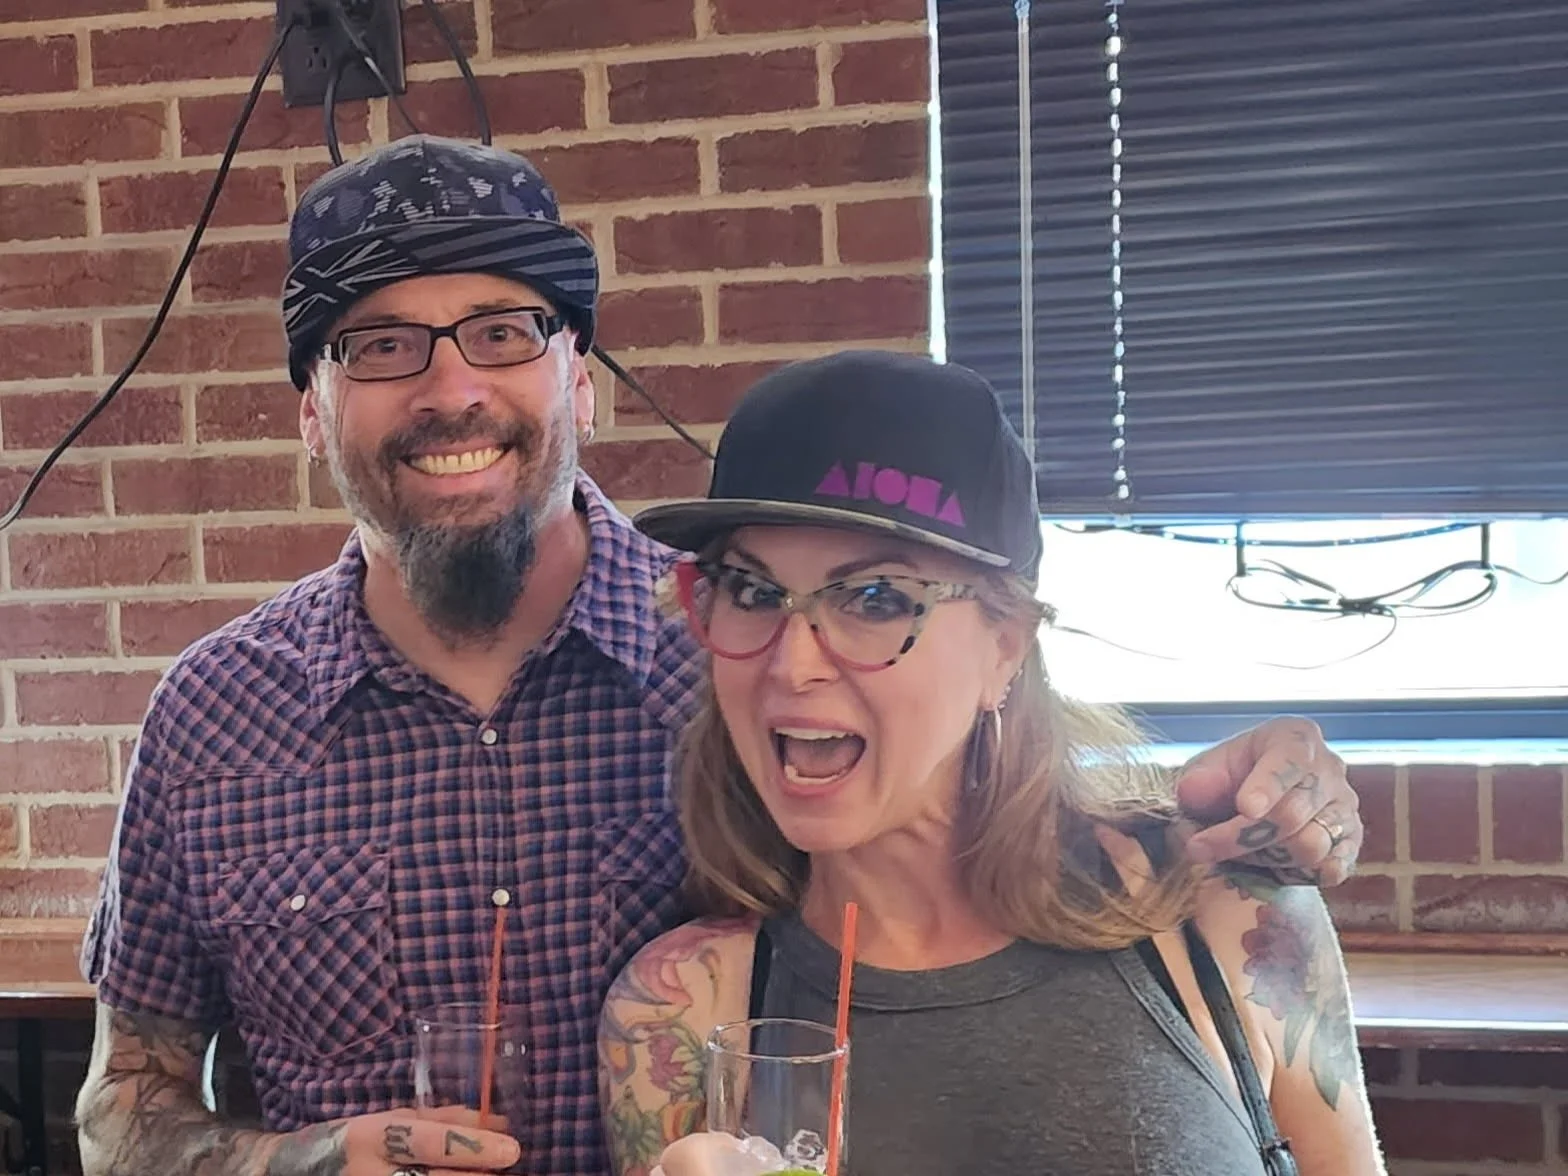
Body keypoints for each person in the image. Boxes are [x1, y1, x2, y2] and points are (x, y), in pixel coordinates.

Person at [72, 134, 1365, 1176]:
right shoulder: (213, 718)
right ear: (312, 405)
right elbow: (122, 1111)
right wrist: (305, 1164)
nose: (451, 388)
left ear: (581, 380)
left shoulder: (722, 662)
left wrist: (1266, 785)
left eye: (505, 331)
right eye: (379, 345)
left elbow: (983, 808)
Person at [600, 351, 1385, 1176]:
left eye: (875, 600)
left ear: (1005, 647)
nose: (793, 666)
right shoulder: (680, 1010)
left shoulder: (1224, 912)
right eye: (753, 590)